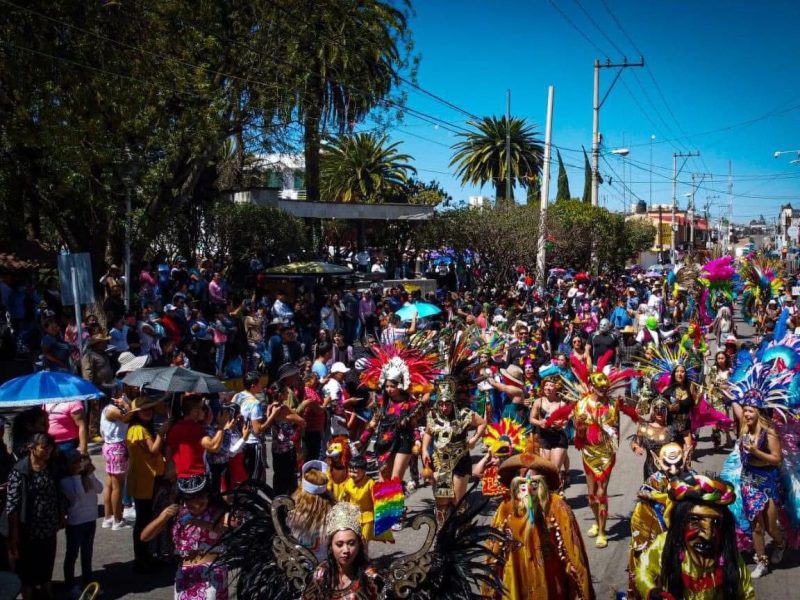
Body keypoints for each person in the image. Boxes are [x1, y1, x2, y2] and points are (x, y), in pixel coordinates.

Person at [484, 448, 594, 600]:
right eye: (523, 484)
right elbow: (493, 552)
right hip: (516, 582)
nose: (528, 489)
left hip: (551, 583)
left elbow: (574, 555)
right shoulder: (506, 508)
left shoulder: (557, 507)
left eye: (534, 483)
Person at [634, 474, 755, 600]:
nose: (707, 535)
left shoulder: (728, 553)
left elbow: (746, 593)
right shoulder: (665, 544)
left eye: (715, 523)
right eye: (695, 520)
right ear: (681, 522)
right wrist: (651, 591)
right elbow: (643, 569)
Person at [141, 475, 229, 599]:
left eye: (201, 502)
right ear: (183, 500)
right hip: (185, 574)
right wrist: (163, 517)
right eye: (192, 505)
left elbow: (223, 529)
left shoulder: (215, 511)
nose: (197, 507)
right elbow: (145, 537)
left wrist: (197, 522)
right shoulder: (177, 514)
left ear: (208, 496)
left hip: (211, 571)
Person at [626, 443, 689, 599]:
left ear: (686, 459)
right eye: (668, 464)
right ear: (658, 462)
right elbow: (643, 499)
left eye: (678, 463)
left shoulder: (690, 478)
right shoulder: (654, 481)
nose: (673, 469)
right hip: (657, 537)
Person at [422, 376, 485, 526]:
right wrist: (424, 449)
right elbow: (428, 433)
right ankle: (442, 532)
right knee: (442, 501)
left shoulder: (464, 414)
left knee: (457, 500)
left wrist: (474, 440)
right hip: (441, 461)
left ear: (453, 402)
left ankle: (464, 528)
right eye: (441, 404)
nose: (444, 408)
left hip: (460, 460)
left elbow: (482, 424)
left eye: (447, 404)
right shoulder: (433, 415)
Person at [5, 433, 61, 600]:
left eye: (50, 447)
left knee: (47, 564)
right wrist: (14, 535)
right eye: (44, 447)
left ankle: (47, 593)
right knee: (27, 570)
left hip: (49, 527)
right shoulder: (20, 471)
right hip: (28, 530)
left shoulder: (51, 467)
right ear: (31, 448)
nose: (48, 451)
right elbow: (12, 506)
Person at [738, 401, 786, 578]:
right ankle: (761, 561)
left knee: (771, 527)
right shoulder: (744, 431)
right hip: (749, 480)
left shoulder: (770, 432)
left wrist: (756, 452)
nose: (747, 415)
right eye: (745, 412)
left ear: (758, 412)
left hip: (768, 480)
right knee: (757, 526)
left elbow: (777, 459)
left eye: (750, 411)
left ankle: (780, 543)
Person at [303, 502, 383, 600]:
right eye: (339, 544)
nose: (346, 550)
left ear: (359, 544)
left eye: (351, 543)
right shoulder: (321, 574)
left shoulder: (370, 577)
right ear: (330, 546)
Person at [125, 396, 168, 572]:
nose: (148, 411)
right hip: (142, 479)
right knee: (143, 520)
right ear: (136, 413)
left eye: (150, 408)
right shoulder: (137, 429)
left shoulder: (142, 428)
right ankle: (141, 559)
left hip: (147, 478)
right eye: (144, 409)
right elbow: (153, 449)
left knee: (146, 518)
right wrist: (162, 432)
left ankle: (145, 556)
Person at [60, 450, 103, 599]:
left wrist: (90, 474)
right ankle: (70, 584)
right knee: (72, 554)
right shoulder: (66, 481)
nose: (81, 465)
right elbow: (77, 496)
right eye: (77, 462)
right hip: (76, 522)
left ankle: (88, 582)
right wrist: (76, 475)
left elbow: (100, 489)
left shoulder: (88, 478)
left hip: (90, 520)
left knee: (87, 553)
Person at [529, 376, 570, 490]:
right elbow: (531, 419)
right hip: (544, 437)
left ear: (557, 388)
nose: (548, 388)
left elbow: (566, 422)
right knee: (545, 468)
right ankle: (549, 491)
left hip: (558, 437)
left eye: (551, 385)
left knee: (554, 468)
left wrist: (561, 424)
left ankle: (557, 492)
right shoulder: (539, 401)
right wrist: (539, 422)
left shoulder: (562, 404)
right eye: (546, 385)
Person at [100, 395, 132, 530]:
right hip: (116, 447)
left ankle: (109, 517)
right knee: (117, 486)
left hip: (111, 447)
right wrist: (127, 405)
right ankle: (117, 520)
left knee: (110, 484)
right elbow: (128, 417)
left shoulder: (109, 409)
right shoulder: (111, 410)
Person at [630, 396, 680, 481]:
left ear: (667, 411)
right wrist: (636, 447)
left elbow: (680, 446)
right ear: (653, 411)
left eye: (663, 410)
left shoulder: (672, 428)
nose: (659, 413)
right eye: (657, 410)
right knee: (652, 493)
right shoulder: (645, 428)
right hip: (651, 470)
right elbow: (635, 442)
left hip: (670, 469)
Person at [233, 372, 267, 481]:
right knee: (254, 478)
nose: (261, 386)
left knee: (242, 476)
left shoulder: (236, 396)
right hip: (252, 443)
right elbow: (257, 429)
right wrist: (271, 416)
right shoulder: (255, 403)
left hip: (240, 441)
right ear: (253, 386)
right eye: (259, 384)